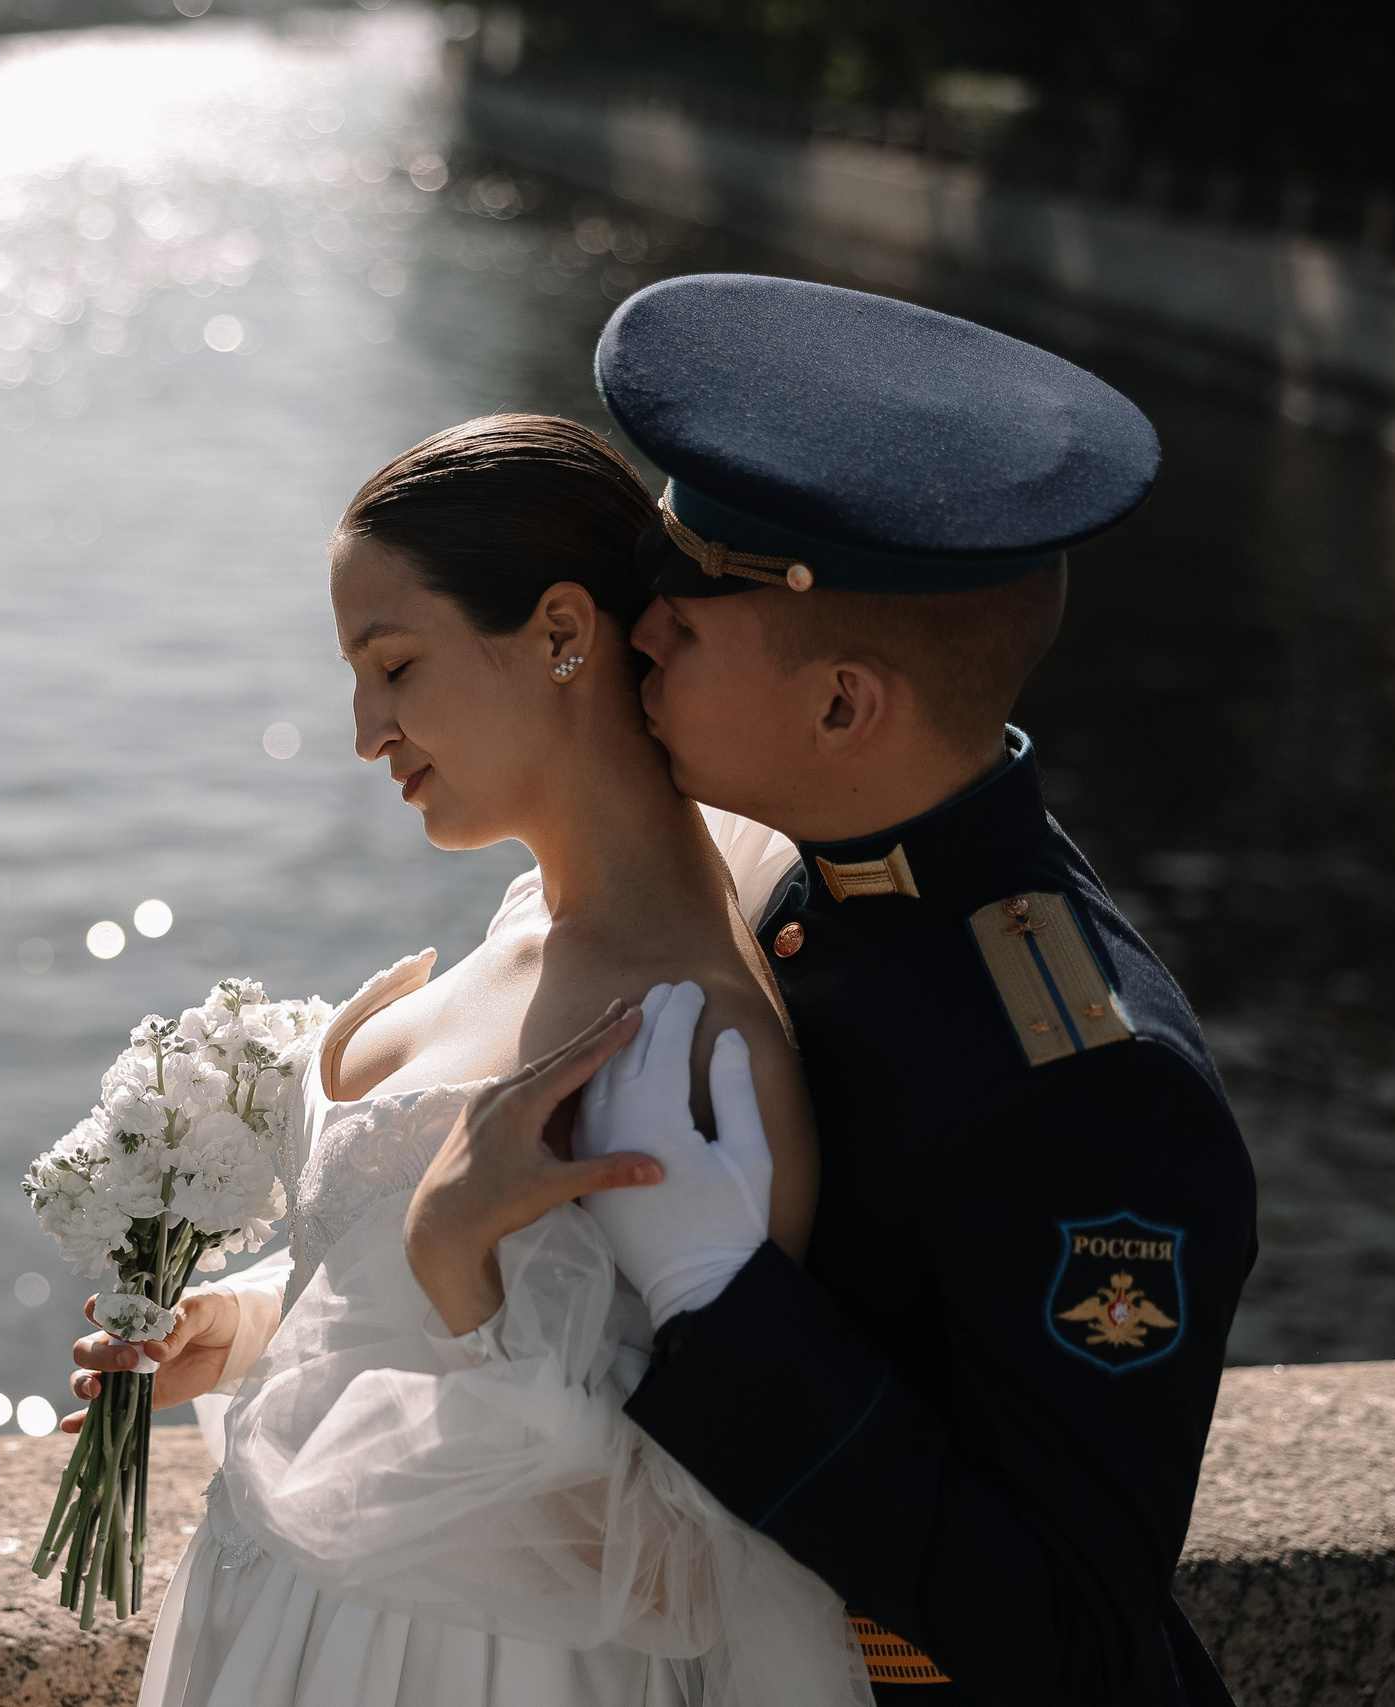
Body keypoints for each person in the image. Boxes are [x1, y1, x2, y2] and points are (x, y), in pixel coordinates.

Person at [406, 276, 1260, 1704]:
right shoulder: (817, 884)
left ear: (844, 705)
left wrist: (728, 1306)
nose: (641, 628)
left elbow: (1064, 1634)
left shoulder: (1092, 1093)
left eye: (691, 599)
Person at [72, 413, 876, 1705]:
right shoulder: (532, 923)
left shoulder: (690, 1038)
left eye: (393, 665)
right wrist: (254, 1322)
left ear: (563, 633)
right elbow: (470, 1299)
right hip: (297, 1632)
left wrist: (455, 1265)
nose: (363, 729)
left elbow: (683, 1564)